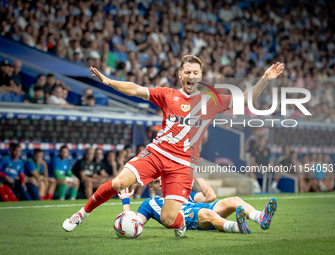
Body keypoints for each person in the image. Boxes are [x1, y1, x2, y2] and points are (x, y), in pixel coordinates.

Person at [63, 56, 284, 237]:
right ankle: (81, 214)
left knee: (170, 219)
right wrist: (110, 82)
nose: (191, 76)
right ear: (180, 75)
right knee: (120, 181)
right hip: (157, 153)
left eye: (196, 72)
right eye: (187, 72)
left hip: (183, 166)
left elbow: (245, 99)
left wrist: (264, 79)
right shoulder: (167, 95)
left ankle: (181, 224)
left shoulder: (211, 101)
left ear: (200, 75)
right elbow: (135, 89)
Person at [118, 177, 277, 234]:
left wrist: (196, 173)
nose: (161, 184)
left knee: (234, 200)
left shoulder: (182, 193)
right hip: (187, 218)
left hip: (199, 208)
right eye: (156, 182)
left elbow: (210, 196)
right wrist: (126, 202)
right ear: (151, 187)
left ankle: (260, 217)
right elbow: (134, 222)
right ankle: (237, 227)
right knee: (206, 213)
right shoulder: (149, 204)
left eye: (163, 180)